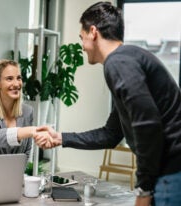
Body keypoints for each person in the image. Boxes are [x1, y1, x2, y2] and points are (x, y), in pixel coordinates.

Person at [34, 2, 181, 206]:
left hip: (172, 172)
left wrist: (144, 189)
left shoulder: (118, 62)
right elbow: (111, 134)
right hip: (167, 171)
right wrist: (59, 137)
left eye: (81, 38)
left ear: (93, 32)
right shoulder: (128, 60)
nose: (83, 46)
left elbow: (147, 124)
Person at [0, 59, 49, 160]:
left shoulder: (27, 111)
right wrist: (31, 130)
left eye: (18, 78)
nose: (17, 84)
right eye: (9, 79)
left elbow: (26, 152)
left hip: (15, 174)